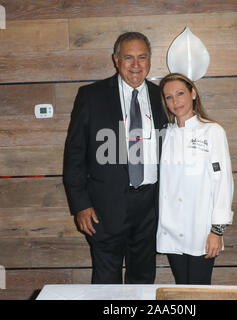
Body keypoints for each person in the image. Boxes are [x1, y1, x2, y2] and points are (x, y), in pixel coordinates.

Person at [63, 32, 167, 284]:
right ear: (116, 60)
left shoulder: (162, 97)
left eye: (142, 57)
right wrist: (80, 205)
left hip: (150, 207)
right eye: (128, 57)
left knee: (142, 279)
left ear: (150, 60)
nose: (135, 64)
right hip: (104, 208)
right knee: (106, 281)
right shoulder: (91, 96)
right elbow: (74, 154)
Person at [156, 73, 234, 284]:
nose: (175, 101)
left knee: (200, 290)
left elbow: (223, 184)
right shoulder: (165, 135)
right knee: (182, 288)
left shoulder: (212, 131)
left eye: (180, 93)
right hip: (171, 228)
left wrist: (217, 231)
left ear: (193, 93)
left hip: (201, 229)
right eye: (169, 97)